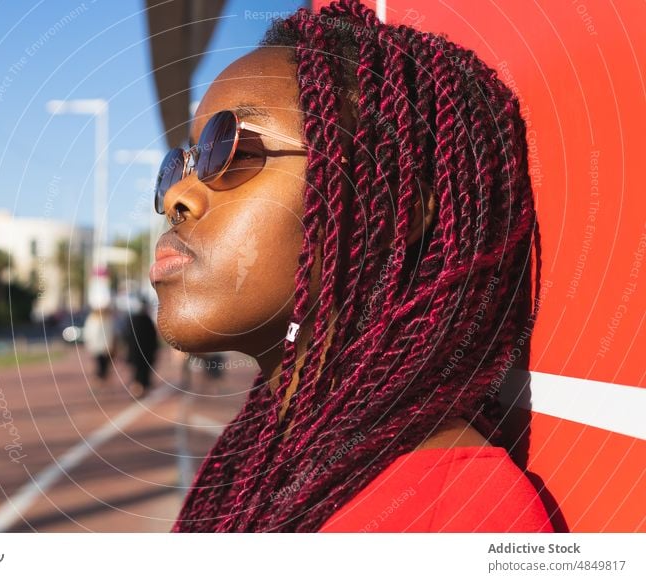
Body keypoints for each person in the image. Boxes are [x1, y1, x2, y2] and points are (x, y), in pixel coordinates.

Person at [150, 0, 552, 532]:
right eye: (179, 163)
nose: (178, 194)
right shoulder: (251, 464)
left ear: (392, 207)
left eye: (229, 146)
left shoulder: (458, 516)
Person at [123, 299, 158, 398]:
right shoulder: (147, 321)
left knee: (137, 373)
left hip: (135, 353)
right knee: (141, 373)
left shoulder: (133, 321)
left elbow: (127, 337)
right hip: (145, 353)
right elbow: (153, 339)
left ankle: (137, 389)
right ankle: (138, 390)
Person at [82, 307, 116, 389]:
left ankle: (101, 379)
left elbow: (111, 333)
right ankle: (100, 379)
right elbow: (88, 333)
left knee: (102, 363)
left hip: (102, 346)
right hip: (99, 346)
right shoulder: (94, 320)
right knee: (101, 363)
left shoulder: (107, 320)